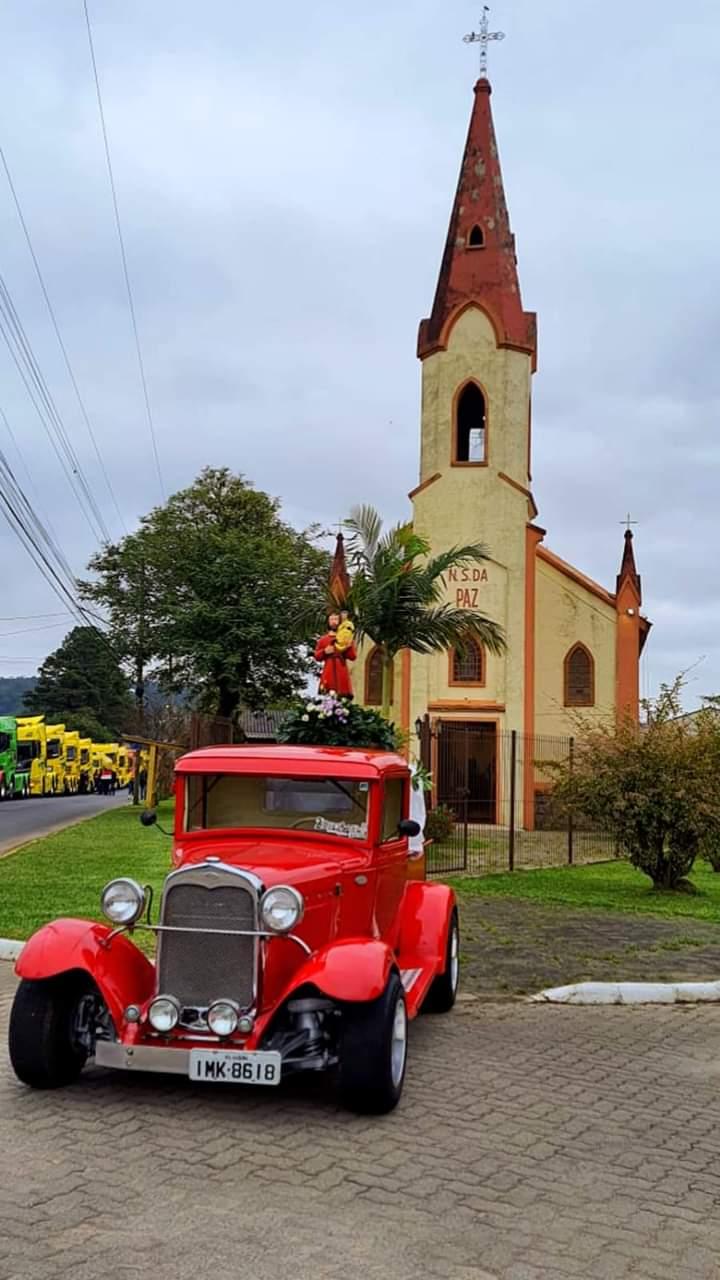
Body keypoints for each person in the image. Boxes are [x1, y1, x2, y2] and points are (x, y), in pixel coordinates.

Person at [314, 611, 357, 698]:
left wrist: (348, 647)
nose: (334, 622)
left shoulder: (346, 638)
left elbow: (353, 657)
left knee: (343, 697)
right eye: (331, 619)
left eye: (336, 619)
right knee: (326, 695)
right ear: (328, 622)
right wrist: (324, 652)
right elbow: (317, 656)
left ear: (340, 621)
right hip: (328, 671)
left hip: (341, 670)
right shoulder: (323, 640)